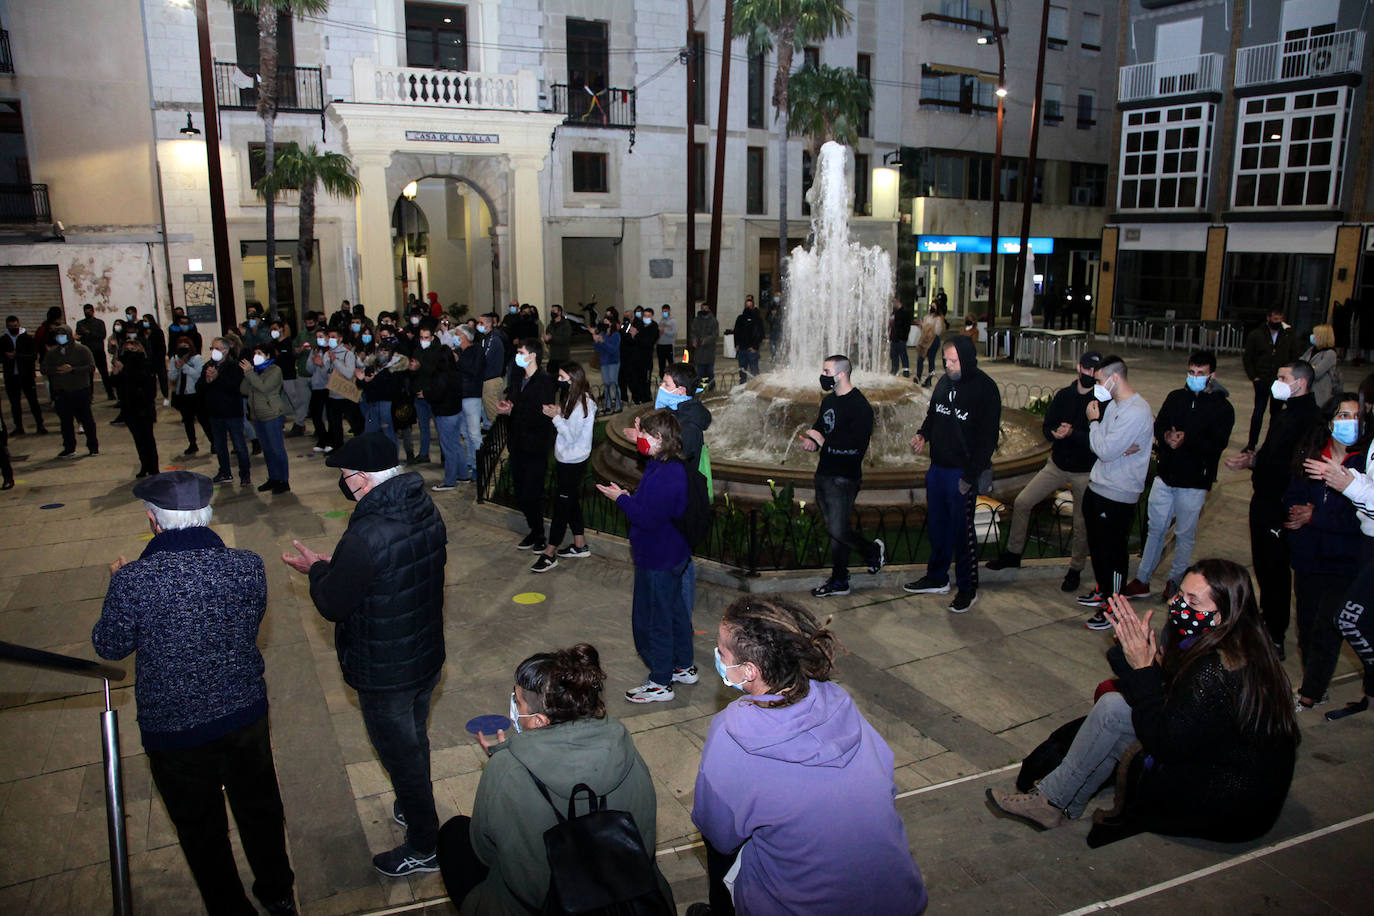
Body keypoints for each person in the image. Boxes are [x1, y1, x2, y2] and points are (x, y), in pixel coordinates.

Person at [92, 471, 297, 915]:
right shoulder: (248, 565)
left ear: (154, 520)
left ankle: (228, 906)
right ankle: (279, 893)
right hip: (243, 713)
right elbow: (251, 621)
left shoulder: (134, 581)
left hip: (175, 730)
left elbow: (109, 646)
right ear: (208, 515)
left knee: (200, 827)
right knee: (259, 807)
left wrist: (117, 584)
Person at [987, 560, 1299, 848]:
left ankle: (1055, 803)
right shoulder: (1234, 641)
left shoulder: (1215, 666)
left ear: (1222, 615)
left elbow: (1163, 740)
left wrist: (1143, 670)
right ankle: (1057, 803)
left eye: (1193, 602)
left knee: (1120, 720)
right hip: (1217, 761)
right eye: (1180, 595)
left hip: (1226, 802)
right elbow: (1172, 703)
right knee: (1113, 706)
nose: (1178, 605)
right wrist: (1136, 657)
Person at [691, 596, 927, 915]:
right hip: (899, 897)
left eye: (722, 650)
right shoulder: (839, 701)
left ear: (749, 671)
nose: (717, 655)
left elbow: (718, 832)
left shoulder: (732, 733)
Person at [281, 432, 447, 877]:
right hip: (424, 652)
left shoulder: (368, 532)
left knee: (400, 754)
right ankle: (415, 807)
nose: (342, 482)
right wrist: (333, 568)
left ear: (360, 479)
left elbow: (333, 604)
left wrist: (316, 570)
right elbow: (389, 575)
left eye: (343, 475)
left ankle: (425, 844)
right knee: (414, 740)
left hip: (387, 668)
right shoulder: (422, 507)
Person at [437, 644, 672, 914]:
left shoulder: (506, 770)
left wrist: (506, 763)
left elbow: (485, 852)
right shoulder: (626, 749)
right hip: (630, 899)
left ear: (538, 720)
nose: (514, 706)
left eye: (518, 700)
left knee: (454, 836)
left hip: (543, 907)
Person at [1121, 350, 1234, 602]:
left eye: (1201, 373)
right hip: (1166, 476)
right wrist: (1166, 438)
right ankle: (1143, 578)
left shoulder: (1222, 408)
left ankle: (1175, 580)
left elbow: (1217, 443)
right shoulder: (1176, 397)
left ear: (1212, 375)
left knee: (1184, 534)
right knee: (1155, 529)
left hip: (1194, 482)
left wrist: (1187, 440)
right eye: (1191, 372)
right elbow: (1160, 425)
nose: (1195, 377)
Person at [597, 410, 694, 703]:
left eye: (643, 434)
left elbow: (648, 519)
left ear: (659, 438)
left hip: (658, 558)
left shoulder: (667, 474)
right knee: (674, 610)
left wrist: (621, 500)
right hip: (669, 553)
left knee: (653, 619)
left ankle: (660, 681)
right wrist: (628, 494)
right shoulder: (664, 464)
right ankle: (682, 665)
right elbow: (651, 505)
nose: (638, 438)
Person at [986, 352, 1102, 592]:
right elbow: (1047, 427)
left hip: (1083, 472)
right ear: (1079, 367)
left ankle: (1075, 568)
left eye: (1095, 371)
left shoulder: (1099, 402)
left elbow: (1098, 440)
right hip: (1056, 465)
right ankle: (1013, 553)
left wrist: (1074, 434)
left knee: (1081, 522)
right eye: (1088, 369)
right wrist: (1055, 434)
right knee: (1022, 502)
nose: (1090, 374)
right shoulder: (1064, 396)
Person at [1225, 360, 1318, 656]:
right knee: (1263, 567)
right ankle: (1266, 622)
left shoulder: (1309, 420)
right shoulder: (1285, 412)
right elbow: (1270, 454)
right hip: (1263, 499)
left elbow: (1293, 466)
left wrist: (1259, 464)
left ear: (1300, 383)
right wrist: (1252, 460)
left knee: (1276, 570)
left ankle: (1275, 634)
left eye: (1283, 377)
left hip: (1279, 504)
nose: (1277, 381)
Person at [904, 336, 1001, 613]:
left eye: (954, 360)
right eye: (946, 360)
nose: (948, 365)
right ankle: (936, 577)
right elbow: (934, 415)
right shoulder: (944, 383)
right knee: (938, 526)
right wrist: (924, 434)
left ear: (967, 359)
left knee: (963, 533)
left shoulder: (985, 389)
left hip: (962, 473)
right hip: (938, 469)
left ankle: (967, 588)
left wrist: (970, 477)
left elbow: (987, 439)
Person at [1285, 394, 1365, 710]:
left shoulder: (1363, 462)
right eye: (1343, 415)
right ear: (1330, 421)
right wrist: (1296, 513)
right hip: (1309, 556)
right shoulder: (1311, 455)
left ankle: (1312, 691)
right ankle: (1314, 680)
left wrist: (1316, 516)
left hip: (1344, 559)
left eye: (1356, 416)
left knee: (1327, 626)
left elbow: (1357, 515)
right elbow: (1292, 494)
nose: (1350, 422)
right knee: (1305, 622)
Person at [1078, 356, 1153, 628]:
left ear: (1114, 378)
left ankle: (1114, 607)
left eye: (1099, 380)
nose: (1096, 385)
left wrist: (1093, 423)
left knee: (1113, 551)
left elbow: (1104, 449)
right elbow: (1107, 447)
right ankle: (1103, 590)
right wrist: (1110, 443)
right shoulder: (1116, 406)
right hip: (1099, 487)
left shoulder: (1136, 411)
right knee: (1098, 547)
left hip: (1118, 493)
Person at [800, 355, 884, 598]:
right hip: (824, 473)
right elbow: (821, 431)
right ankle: (840, 579)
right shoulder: (828, 402)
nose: (823, 376)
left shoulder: (860, 407)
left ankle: (869, 553)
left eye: (827, 371)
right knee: (836, 529)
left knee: (838, 529)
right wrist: (812, 444)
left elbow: (856, 448)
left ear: (841, 375)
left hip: (845, 477)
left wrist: (823, 442)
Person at [532, 361, 596, 572]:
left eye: (562, 378)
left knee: (562, 506)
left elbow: (570, 436)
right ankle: (579, 545)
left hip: (573, 461)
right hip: (567, 459)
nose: (558, 382)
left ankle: (550, 552)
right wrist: (559, 411)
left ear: (574, 380)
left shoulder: (583, 404)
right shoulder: (572, 398)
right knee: (571, 500)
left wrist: (556, 418)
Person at [496, 340, 555, 550]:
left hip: (535, 445)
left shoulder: (544, 381)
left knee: (533, 492)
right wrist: (508, 405)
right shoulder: (519, 377)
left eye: (521, 352)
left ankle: (539, 535)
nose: (517, 356)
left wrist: (514, 411)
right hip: (518, 443)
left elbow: (541, 413)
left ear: (532, 356)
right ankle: (533, 529)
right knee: (521, 492)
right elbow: (516, 402)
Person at [1242, 307, 1298, 452]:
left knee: (1276, 414)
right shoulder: (1256, 334)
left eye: (1280, 319)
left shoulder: (1288, 335)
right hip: (1262, 379)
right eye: (1275, 319)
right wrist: (1254, 377)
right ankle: (1251, 444)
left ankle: (1271, 443)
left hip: (1279, 381)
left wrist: (1288, 378)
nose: (1277, 322)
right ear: (1268, 318)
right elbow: (1248, 357)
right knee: (1258, 412)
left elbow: (1293, 356)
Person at [41, 324, 98, 459]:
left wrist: (72, 369)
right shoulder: (52, 353)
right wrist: (56, 370)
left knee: (87, 420)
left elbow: (90, 367)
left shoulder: (82, 349)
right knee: (65, 422)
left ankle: (93, 446)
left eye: (63, 335)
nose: (60, 338)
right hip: (61, 392)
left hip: (80, 390)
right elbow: (44, 368)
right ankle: (69, 448)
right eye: (58, 335)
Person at [199, 337, 251, 487]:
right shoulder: (208, 366)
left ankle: (245, 474)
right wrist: (208, 380)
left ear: (226, 351)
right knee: (220, 446)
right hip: (215, 413)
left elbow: (234, 386)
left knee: (239, 445)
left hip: (232, 413)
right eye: (212, 348)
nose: (213, 351)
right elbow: (200, 387)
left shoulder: (234, 367)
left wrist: (217, 377)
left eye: (217, 348)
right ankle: (225, 472)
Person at [241, 343, 291, 494]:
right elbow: (243, 389)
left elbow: (264, 387)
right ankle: (273, 477)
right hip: (257, 416)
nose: (256, 355)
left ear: (268, 355)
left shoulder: (274, 370)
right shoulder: (255, 371)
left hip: (272, 414)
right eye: (255, 352)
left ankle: (283, 480)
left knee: (277, 449)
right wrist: (248, 374)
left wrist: (250, 374)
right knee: (267, 450)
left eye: (260, 353)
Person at [110, 337, 160, 478]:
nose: (130, 352)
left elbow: (143, 380)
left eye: (133, 349)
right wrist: (116, 373)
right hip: (129, 407)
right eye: (127, 350)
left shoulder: (145, 363)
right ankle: (144, 465)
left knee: (148, 438)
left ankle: (154, 467)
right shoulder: (121, 364)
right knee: (138, 439)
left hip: (144, 407)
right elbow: (115, 384)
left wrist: (125, 370)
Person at [1, 315, 47, 434]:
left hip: (26, 375)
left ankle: (40, 424)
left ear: (19, 325)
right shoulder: (3, 340)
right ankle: (19, 427)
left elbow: (33, 356)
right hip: (11, 376)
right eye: (11, 327)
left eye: (15, 326)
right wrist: (6, 356)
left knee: (33, 402)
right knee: (15, 403)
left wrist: (18, 356)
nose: (13, 328)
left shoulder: (27, 339)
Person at [407, 323, 443, 464]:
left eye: (426, 337)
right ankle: (423, 453)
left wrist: (420, 366)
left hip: (433, 395)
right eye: (421, 337)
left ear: (432, 337)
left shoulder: (438, 352)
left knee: (440, 428)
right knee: (423, 427)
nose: (423, 340)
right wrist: (412, 369)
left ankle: (444, 455)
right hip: (419, 395)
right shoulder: (417, 351)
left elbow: (436, 372)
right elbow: (413, 374)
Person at [168, 336, 210, 456]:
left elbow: (198, 374)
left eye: (185, 346)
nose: (182, 348)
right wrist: (176, 368)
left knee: (203, 420)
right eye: (180, 346)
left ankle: (213, 442)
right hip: (182, 394)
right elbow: (171, 377)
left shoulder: (196, 358)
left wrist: (184, 366)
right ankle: (192, 444)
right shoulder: (174, 358)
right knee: (187, 421)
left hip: (195, 393)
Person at [75, 303, 114, 400]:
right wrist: (80, 335)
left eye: (89, 310)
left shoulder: (99, 323)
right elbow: (78, 336)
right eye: (85, 310)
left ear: (93, 311)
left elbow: (102, 335)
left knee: (104, 373)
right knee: (88, 375)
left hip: (98, 351)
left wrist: (89, 333)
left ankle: (110, 393)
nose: (87, 312)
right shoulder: (80, 324)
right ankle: (89, 395)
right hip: (87, 352)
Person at [476, 312, 506, 430]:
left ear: (489, 324)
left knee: (494, 415)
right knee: (493, 414)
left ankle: (500, 441)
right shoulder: (485, 338)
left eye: (481, 323)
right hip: (488, 379)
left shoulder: (493, 340)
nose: (479, 325)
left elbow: (485, 359)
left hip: (490, 380)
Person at [1301, 323, 1340, 411]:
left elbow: (1317, 373)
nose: (1312, 336)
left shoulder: (1330, 353)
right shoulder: (1311, 349)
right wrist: (1311, 367)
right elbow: (1299, 363)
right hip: (1306, 391)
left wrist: (1307, 367)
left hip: (1319, 394)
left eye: (1315, 334)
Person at [592, 315, 622, 414]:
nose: (604, 324)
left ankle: (618, 406)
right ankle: (608, 406)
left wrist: (603, 342)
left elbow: (612, 349)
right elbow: (598, 349)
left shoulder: (616, 335)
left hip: (613, 362)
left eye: (606, 322)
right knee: (606, 385)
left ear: (611, 323)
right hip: (604, 362)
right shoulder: (603, 334)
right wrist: (596, 341)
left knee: (614, 384)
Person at [733, 295, 764, 383]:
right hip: (742, 349)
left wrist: (755, 346)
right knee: (742, 372)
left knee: (754, 372)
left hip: (752, 350)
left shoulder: (757, 319)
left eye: (750, 306)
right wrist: (737, 344)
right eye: (747, 306)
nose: (748, 308)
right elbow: (736, 332)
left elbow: (760, 334)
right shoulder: (740, 318)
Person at [914, 302, 945, 388]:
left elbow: (936, 331)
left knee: (931, 360)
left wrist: (924, 325)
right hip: (925, 340)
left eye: (934, 306)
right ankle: (918, 377)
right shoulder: (927, 317)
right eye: (931, 305)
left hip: (933, 341)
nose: (932, 307)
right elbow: (924, 329)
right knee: (920, 359)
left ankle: (929, 380)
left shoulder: (938, 319)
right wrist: (921, 325)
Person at [690, 302, 719, 390]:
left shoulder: (713, 320)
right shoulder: (696, 320)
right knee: (700, 372)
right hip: (699, 351)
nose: (704, 310)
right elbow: (693, 332)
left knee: (710, 372)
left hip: (709, 351)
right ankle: (702, 389)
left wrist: (706, 340)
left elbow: (715, 334)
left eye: (706, 309)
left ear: (709, 309)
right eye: (702, 309)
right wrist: (694, 339)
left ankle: (711, 389)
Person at [542, 303, 573, 380]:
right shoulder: (550, 325)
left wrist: (552, 337)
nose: (552, 312)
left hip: (563, 356)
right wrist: (546, 339)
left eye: (554, 311)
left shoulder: (566, 324)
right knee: (551, 377)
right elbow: (549, 340)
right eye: (551, 311)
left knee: (564, 378)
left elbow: (565, 339)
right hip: (553, 356)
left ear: (559, 312)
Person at [888, 299, 913, 377]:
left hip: (900, 339)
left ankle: (906, 371)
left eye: (894, 302)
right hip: (894, 338)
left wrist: (903, 337)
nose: (893, 304)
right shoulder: (895, 312)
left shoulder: (904, 313)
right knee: (894, 355)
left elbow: (906, 326)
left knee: (903, 355)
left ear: (898, 302)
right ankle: (894, 369)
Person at [657, 304, 677, 377]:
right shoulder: (660, 320)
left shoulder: (673, 321)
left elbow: (674, 333)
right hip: (660, 345)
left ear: (669, 311)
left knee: (671, 364)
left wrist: (664, 330)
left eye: (666, 311)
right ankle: (662, 378)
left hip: (669, 345)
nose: (664, 313)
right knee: (661, 364)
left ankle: (673, 378)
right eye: (663, 311)